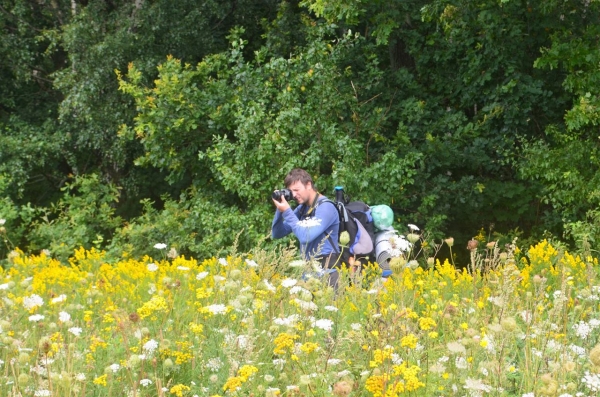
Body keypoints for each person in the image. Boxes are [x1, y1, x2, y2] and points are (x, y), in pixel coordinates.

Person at [271, 168, 342, 288]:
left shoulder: (326, 207)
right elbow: (277, 233)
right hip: (308, 274)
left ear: (308, 184)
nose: (294, 195)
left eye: (297, 190)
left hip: (327, 273)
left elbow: (305, 236)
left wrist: (287, 211)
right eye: (291, 191)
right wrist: (280, 209)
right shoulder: (303, 208)